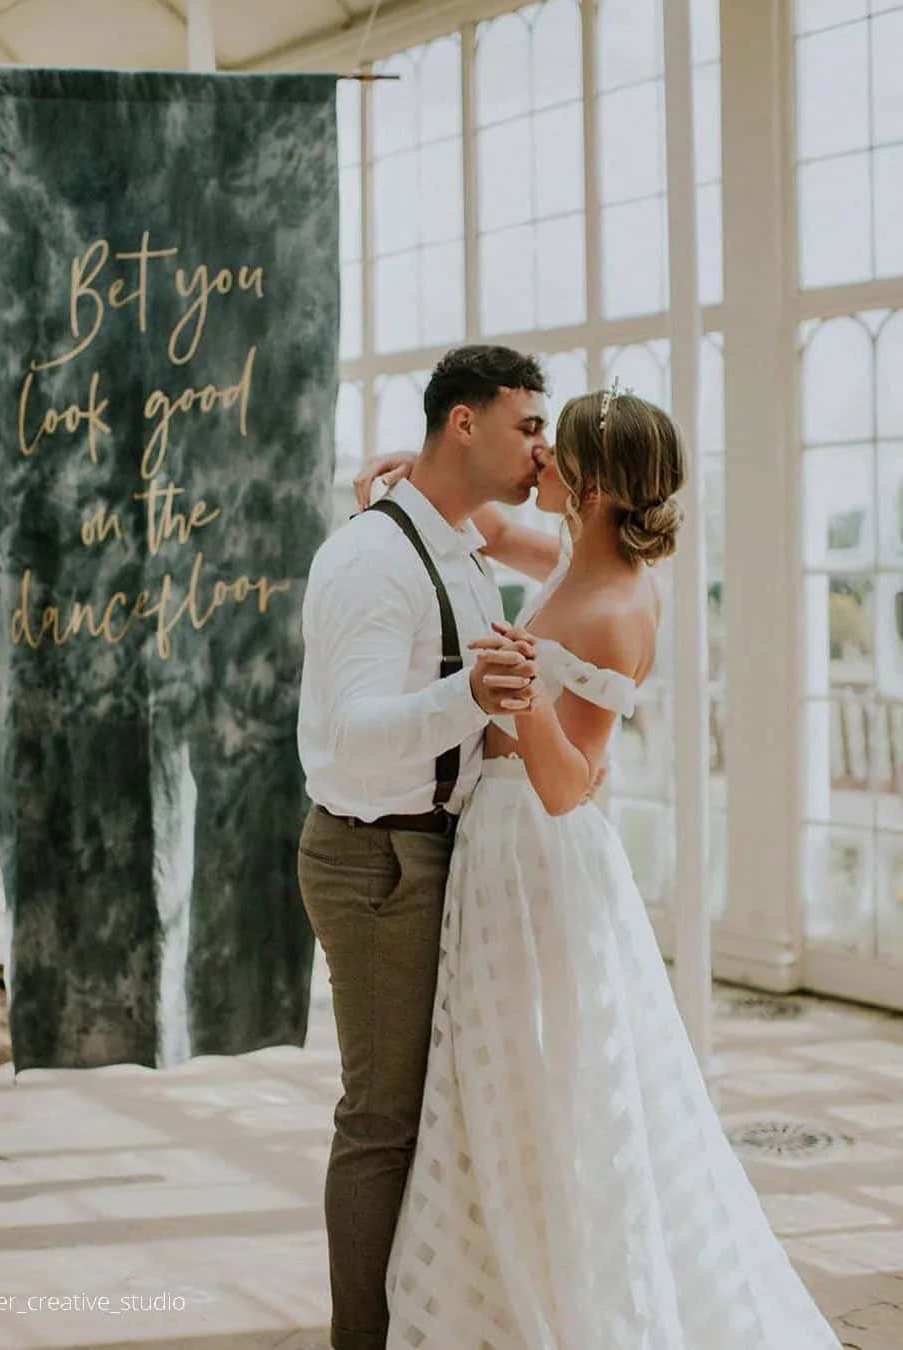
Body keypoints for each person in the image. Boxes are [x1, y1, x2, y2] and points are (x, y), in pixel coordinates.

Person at [355, 386, 842, 1349]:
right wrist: (415, 480)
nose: (538, 462)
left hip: (538, 857)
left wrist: (524, 692)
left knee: (548, 1082)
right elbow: (495, 528)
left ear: (591, 486)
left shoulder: (619, 603)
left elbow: (571, 785)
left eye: (553, 452)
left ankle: (565, 1294)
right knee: (509, 1079)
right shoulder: (580, 557)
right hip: (501, 850)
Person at [297, 344, 581, 1350]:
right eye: (530, 427)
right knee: (383, 1122)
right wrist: (477, 693)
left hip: (438, 849)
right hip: (378, 859)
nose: (543, 449)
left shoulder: (461, 542)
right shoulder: (374, 559)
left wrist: (560, 478)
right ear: (465, 424)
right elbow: (354, 733)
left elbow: (588, 549)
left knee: (438, 1112)